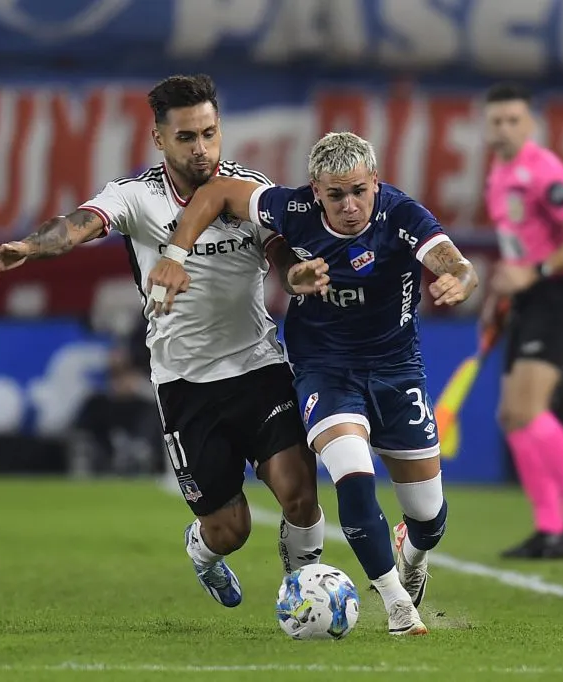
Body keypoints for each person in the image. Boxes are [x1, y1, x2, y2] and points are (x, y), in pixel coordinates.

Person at [0, 74, 329, 609]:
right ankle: (202, 552)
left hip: (259, 366)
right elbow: (75, 225)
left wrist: (297, 276)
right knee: (229, 528)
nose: (202, 149)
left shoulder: (247, 186)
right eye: (188, 137)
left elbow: (282, 256)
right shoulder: (135, 196)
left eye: (210, 134)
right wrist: (31, 246)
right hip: (185, 383)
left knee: (299, 492)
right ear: (159, 139)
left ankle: (305, 595)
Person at [146, 131, 478, 636]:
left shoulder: (402, 216)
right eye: (335, 194)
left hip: (396, 371)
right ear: (315, 191)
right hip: (325, 369)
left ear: (376, 183)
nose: (349, 205)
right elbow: (215, 193)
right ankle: (395, 605)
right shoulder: (291, 208)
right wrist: (175, 252)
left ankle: (412, 552)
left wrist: (458, 277)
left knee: (429, 515)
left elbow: (452, 259)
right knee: (351, 471)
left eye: (359, 191)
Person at [482, 82, 563, 559]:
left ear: (530, 124)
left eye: (514, 120)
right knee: (511, 416)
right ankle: (549, 525)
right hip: (527, 298)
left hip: (557, 295)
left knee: (529, 411)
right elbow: (519, 245)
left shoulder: (543, 169)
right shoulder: (497, 170)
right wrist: (501, 295)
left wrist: (531, 272)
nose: (504, 129)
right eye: (496, 121)